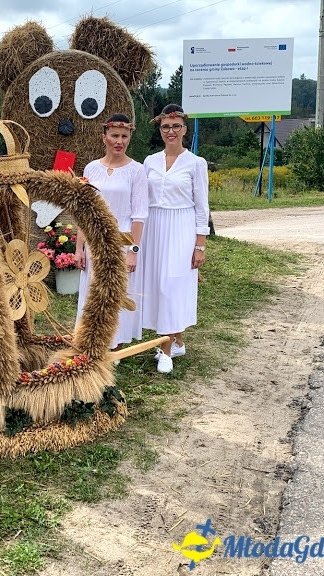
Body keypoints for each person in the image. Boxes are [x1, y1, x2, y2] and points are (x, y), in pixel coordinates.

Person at [141, 104, 210, 374]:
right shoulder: (149, 161)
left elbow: (202, 207)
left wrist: (199, 244)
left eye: (176, 126)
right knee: (159, 285)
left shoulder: (196, 163)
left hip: (181, 227)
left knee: (173, 285)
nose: (171, 131)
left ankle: (166, 350)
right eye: (166, 127)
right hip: (154, 227)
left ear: (184, 129)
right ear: (160, 129)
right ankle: (177, 341)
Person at [75, 113, 148, 351]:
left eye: (125, 136)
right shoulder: (91, 168)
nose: (120, 141)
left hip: (122, 241)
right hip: (94, 239)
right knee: (93, 290)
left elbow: (139, 214)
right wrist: (79, 248)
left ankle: (114, 343)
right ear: (104, 136)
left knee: (116, 292)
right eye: (115, 135)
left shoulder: (136, 171)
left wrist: (133, 251)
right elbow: (83, 210)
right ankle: (90, 340)